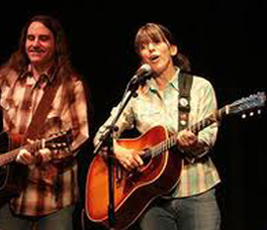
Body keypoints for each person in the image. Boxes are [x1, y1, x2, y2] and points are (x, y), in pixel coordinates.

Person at [0, 15, 89, 230]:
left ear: (56, 43)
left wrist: (41, 155)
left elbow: (78, 136)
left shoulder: (70, 86)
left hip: (54, 199)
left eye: (43, 39)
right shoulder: (8, 77)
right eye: (30, 38)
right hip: (10, 196)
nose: (35, 44)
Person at [94, 23, 221, 230]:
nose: (150, 49)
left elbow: (208, 139)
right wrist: (119, 151)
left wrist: (193, 143)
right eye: (143, 47)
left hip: (197, 191)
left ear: (172, 49)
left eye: (156, 42)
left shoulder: (200, 87)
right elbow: (101, 137)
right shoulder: (135, 96)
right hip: (152, 198)